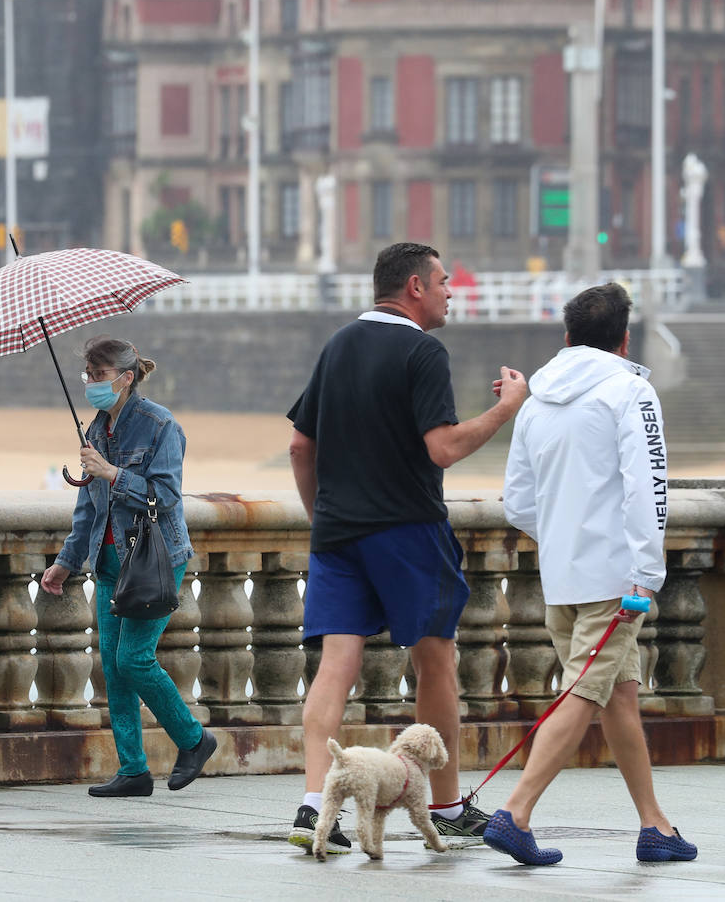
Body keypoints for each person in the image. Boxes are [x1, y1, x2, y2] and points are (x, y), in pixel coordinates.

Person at [285, 242, 529, 854]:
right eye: (444, 282)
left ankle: (315, 805)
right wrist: (505, 409)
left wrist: (324, 519)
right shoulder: (423, 350)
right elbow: (442, 447)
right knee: (435, 660)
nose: (451, 291)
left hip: (338, 534)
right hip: (407, 532)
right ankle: (444, 807)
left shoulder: (338, 343)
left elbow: (299, 446)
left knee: (335, 666)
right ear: (415, 287)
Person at [487, 283, 698, 865]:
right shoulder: (631, 392)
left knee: (617, 697)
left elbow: (517, 502)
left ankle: (655, 826)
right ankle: (516, 812)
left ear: (567, 337)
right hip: (615, 582)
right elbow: (648, 488)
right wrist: (646, 575)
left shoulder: (535, 398)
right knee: (584, 693)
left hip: (562, 576)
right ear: (625, 338)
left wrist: (563, 538)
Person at [41, 336, 216, 797]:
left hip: (154, 561)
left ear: (125, 377)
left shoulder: (161, 426)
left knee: (134, 659)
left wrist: (113, 473)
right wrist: (66, 562)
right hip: (108, 560)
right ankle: (133, 770)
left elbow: (167, 498)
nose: (91, 385)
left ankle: (195, 740)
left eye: (98, 377)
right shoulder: (97, 431)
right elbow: (88, 510)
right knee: (113, 668)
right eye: (87, 376)